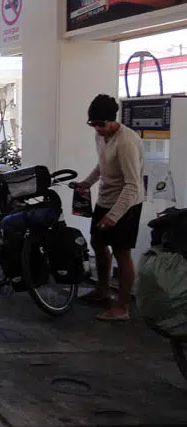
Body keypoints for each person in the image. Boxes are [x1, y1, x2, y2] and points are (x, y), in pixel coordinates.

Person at [73, 94, 144, 322]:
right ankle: (102, 291)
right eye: (93, 124)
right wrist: (87, 183)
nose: (97, 129)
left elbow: (132, 185)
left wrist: (113, 216)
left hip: (127, 203)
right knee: (98, 242)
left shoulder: (126, 143)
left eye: (101, 124)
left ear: (113, 120)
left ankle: (122, 307)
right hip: (105, 199)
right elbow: (102, 165)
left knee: (122, 253)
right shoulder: (101, 136)